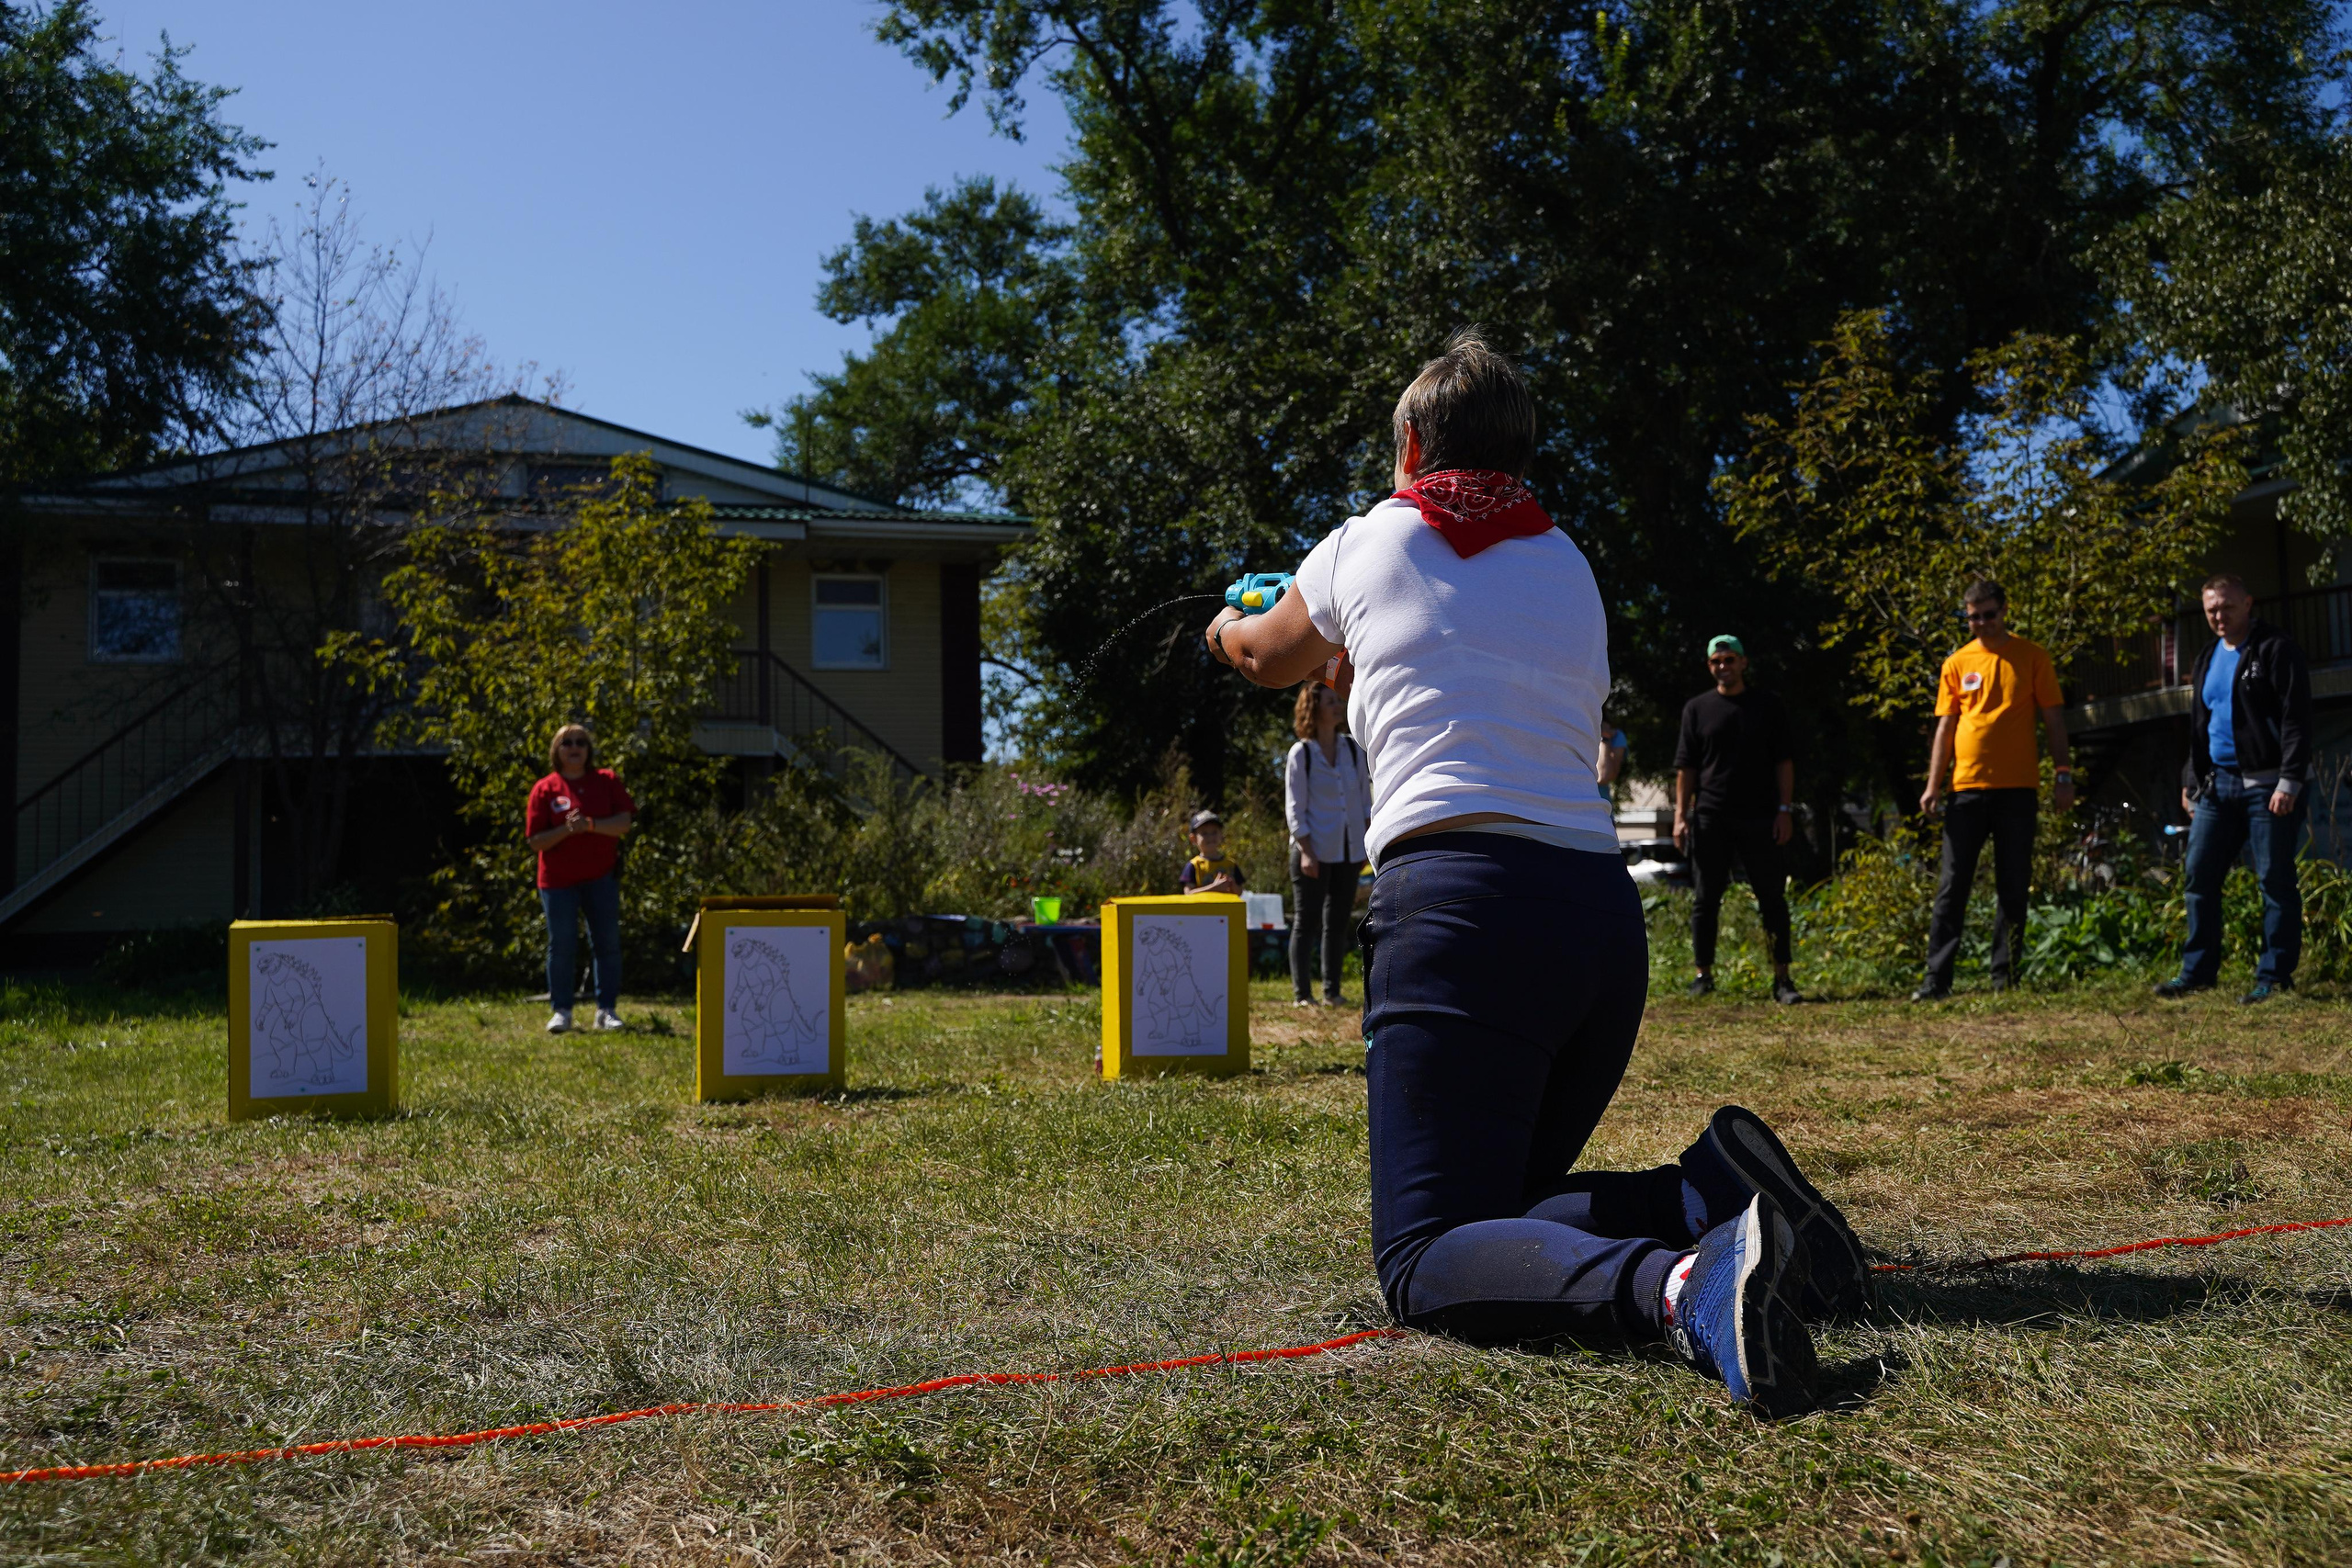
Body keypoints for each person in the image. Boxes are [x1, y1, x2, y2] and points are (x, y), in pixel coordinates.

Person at [1202, 328, 1868, 1416]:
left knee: (1426, 1255)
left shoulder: (1362, 540)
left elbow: (1272, 657)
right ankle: (1708, 1193)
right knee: (1501, 1214)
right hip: (1597, 921)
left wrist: (1229, 623)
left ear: (1411, 444)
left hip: (1462, 912)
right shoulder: (1568, 560)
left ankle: (1681, 1285)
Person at [2156, 574, 2312, 1003]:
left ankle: (2274, 976)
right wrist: (2192, 778)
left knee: (2274, 879)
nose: (2219, 616)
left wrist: (2290, 780)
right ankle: (2197, 972)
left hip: (2269, 786)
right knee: (2199, 876)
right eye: (2211, 610)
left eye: (2226, 607)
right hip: (2217, 785)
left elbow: (2297, 719)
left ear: (2247, 603)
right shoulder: (2208, 656)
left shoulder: (2276, 650)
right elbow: (2201, 725)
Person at [1915, 580, 2073, 1001]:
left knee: (2013, 883)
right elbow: (1946, 727)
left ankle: (2006, 978)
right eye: (1973, 617)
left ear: (2004, 611)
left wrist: (2063, 774)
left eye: (1989, 614)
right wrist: (1933, 785)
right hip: (1965, 790)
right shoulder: (1957, 662)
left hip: (2017, 789)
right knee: (1952, 885)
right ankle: (1936, 980)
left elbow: (2054, 719)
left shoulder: (2032, 656)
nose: (1982, 623)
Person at [1673, 636, 1800, 1004]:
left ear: (1743, 662)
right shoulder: (1697, 709)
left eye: (1729, 659)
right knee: (1705, 898)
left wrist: (1785, 810)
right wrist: (1681, 816)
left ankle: (1782, 978)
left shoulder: (1768, 705)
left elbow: (1785, 762)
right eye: (1716, 661)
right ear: (1709, 666)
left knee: (1772, 898)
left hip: (1762, 817)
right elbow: (1687, 767)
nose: (1723, 666)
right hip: (1711, 816)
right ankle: (1703, 975)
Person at [525, 723, 635, 1033]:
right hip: (557, 882)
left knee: (607, 943)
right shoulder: (545, 788)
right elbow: (535, 842)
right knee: (561, 945)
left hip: (601, 878)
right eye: (567, 743)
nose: (574, 747)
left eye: (581, 742)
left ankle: (607, 1010)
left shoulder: (607, 781)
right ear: (556, 751)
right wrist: (565, 830)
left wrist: (589, 825)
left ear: (589, 750)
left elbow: (624, 823)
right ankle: (562, 1012)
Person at [1284, 682, 1370, 1007]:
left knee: (1337, 923)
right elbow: (1295, 808)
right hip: (1312, 851)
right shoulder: (1301, 754)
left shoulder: (1352, 748)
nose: (1338, 705)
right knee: (1306, 923)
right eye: (1331, 701)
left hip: (1349, 851)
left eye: (1339, 700)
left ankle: (1332, 992)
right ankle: (1302, 995)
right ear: (1314, 708)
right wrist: (1306, 851)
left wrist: (1367, 846)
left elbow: (1365, 802)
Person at [1177, 808, 1246, 896]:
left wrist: (1231, 883)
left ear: (1221, 835)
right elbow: (1188, 894)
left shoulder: (1231, 865)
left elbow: (1239, 892)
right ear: (1193, 839)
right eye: (1204, 833)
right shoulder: (1193, 866)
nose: (1210, 837)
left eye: (1214, 832)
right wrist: (1214, 887)